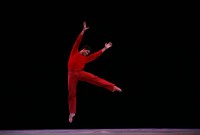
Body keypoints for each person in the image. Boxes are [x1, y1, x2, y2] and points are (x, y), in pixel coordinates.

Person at [67, 21, 122, 123]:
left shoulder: (86, 58)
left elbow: (96, 55)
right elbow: (77, 41)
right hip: (71, 75)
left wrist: (105, 48)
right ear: (83, 49)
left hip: (80, 73)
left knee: (95, 78)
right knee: (72, 94)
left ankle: (112, 87)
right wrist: (83, 31)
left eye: (88, 53)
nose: (87, 54)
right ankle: (72, 113)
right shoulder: (74, 52)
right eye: (86, 52)